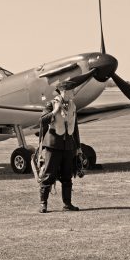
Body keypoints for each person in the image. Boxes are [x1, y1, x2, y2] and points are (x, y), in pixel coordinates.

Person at [38, 85, 83, 213]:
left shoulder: (73, 106)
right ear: (63, 91)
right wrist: (55, 111)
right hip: (53, 146)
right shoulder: (51, 104)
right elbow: (42, 121)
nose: (73, 93)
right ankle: (43, 204)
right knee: (48, 175)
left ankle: (67, 204)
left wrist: (78, 147)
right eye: (71, 91)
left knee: (67, 176)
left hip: (68, 146)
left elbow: (75, 128)